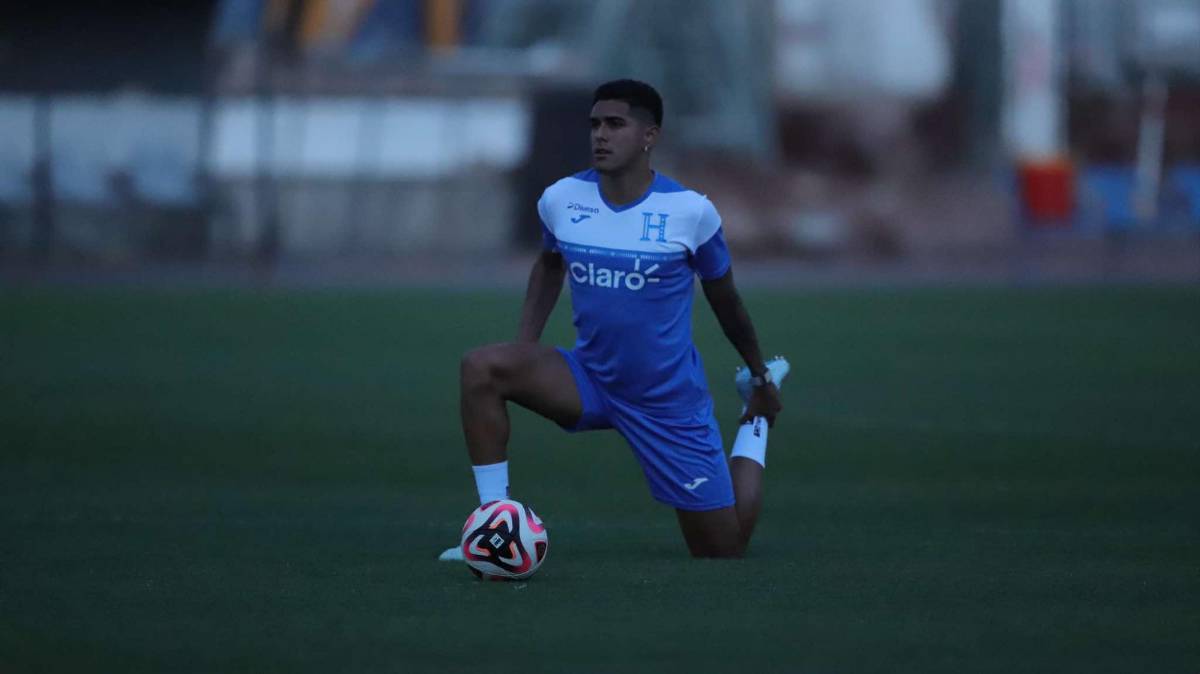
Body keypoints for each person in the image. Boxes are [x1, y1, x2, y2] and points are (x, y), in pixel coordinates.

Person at [442, 79, 786, 559]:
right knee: (482, 367)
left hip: (666, 401)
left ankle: (755, 425)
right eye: (595, 124)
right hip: (591, 377)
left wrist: (759, 375)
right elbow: (548, 265)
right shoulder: (561, 199)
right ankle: (492, 528)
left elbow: (727, 303)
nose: (600, 135)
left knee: (722, 548)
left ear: (649, 135)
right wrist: (526, 345)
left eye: (615, 124)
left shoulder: (690, 212)